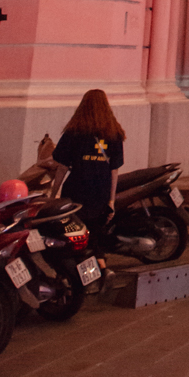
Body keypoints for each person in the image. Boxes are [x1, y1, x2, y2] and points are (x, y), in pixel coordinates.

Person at [52, 90, 124, 255]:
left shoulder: (74, 132)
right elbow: (114, 170)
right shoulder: (114, 133)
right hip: (100, 191)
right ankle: (101, 268)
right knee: (95, 236)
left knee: (75, 236)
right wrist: (111, 200)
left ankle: (74, 270)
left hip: (76, 190)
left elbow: (62, 167)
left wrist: (53, 194)